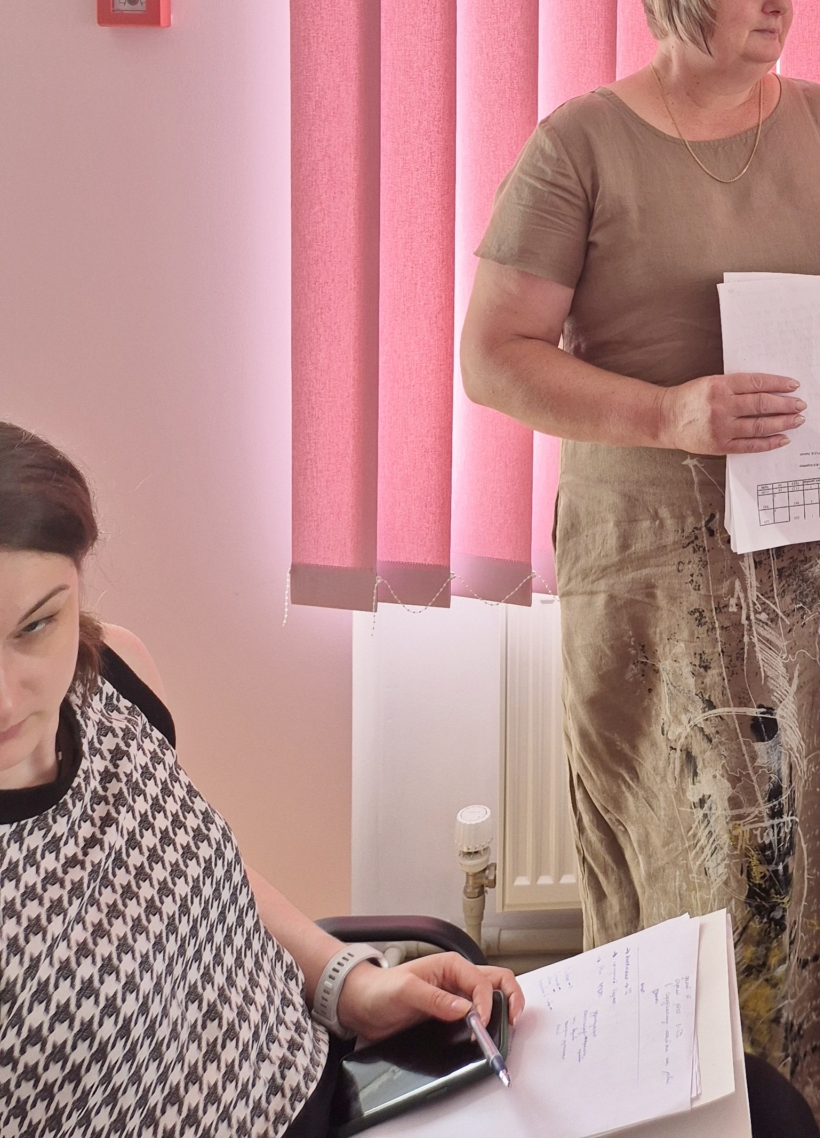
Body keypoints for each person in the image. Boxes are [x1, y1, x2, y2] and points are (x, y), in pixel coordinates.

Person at [460, 0, 820, 1138]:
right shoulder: (578, 145)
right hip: (655, 565)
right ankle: (686, 1118)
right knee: (692, 860)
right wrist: (669, 415)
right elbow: (493, 356)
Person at [0, 420, 523, 1138]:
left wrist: (351, 985)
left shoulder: (113, 676)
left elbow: (196, 870)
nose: (6, 699)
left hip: (344, 1095)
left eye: (35, 626)